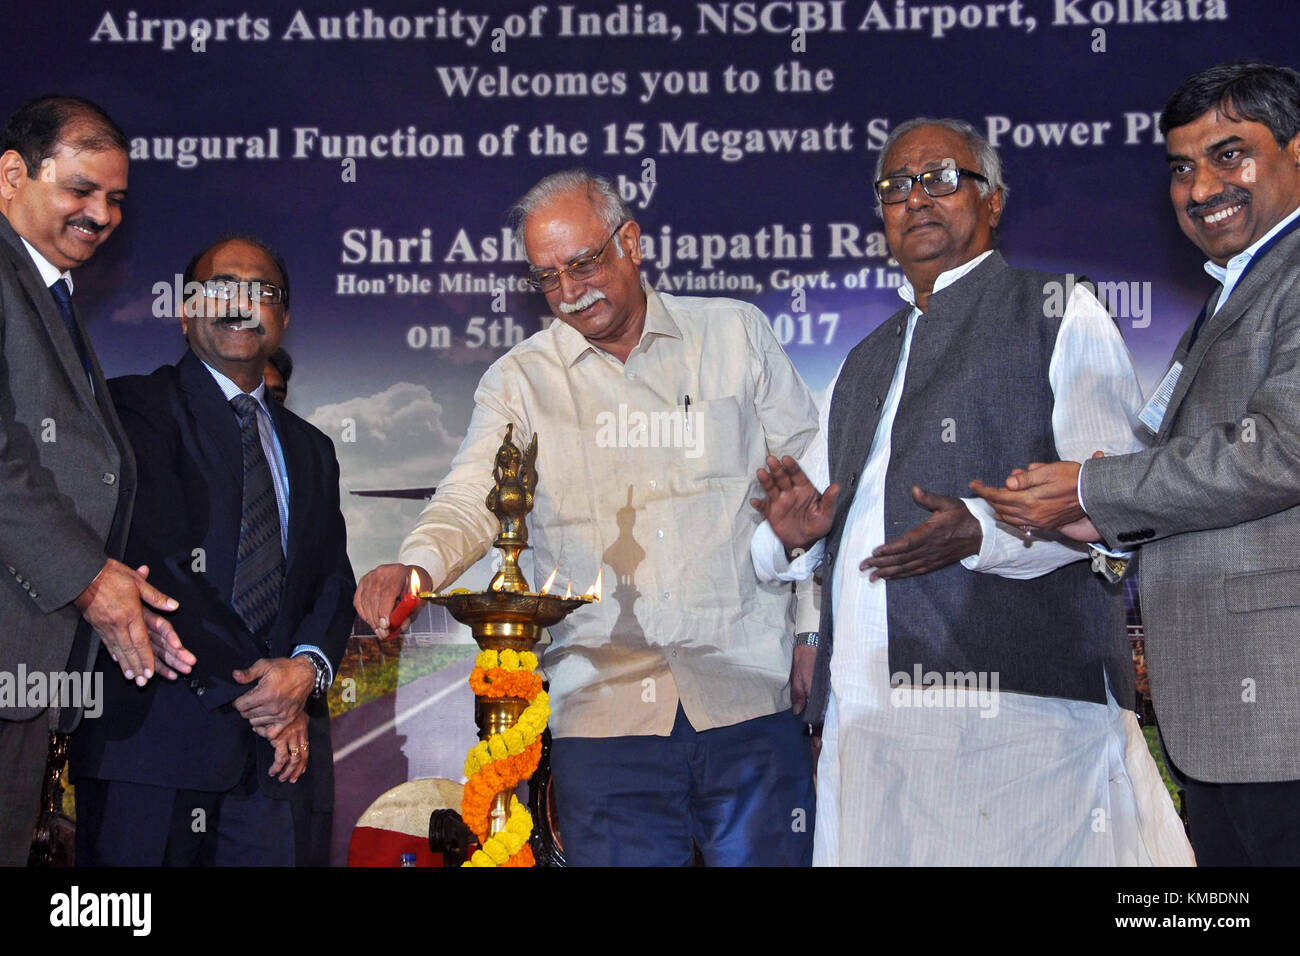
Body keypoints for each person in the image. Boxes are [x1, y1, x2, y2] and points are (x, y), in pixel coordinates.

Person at [751, 118, 1192, 865]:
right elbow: (813, 518)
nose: (917, 197)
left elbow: (1118, 500)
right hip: (868, 722)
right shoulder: (863, 360)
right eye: (897, 186)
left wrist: (984, 532)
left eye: (941, 178)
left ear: (993, 202)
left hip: (1017, 721)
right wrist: (789, 538)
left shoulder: (1056, 311)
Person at [355, 169, 819, 866]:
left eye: (584, 263)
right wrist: (415, 563)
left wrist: (811, 630)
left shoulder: (735, 336)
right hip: (603, 725)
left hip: (748, 703)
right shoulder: (521, 381)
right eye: (547, 277)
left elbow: (810, 499)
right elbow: (467, 498)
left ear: (630, 241)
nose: (570, 292)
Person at [974, 61, 1300, 866]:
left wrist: (1092, 485)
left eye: (1231, 155)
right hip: (1232, 720)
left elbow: (1281, 449)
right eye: (1183, 167)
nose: (1200, 188)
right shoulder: (1236, 291)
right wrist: (1092, 518)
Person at [70, 236, 355, 866]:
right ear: (185, 309)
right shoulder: (129, 410)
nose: (241, 303)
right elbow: (161, 561)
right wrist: (263, 691)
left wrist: (304, 672)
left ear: (284, 317)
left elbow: (332, 581)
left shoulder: (310, 448)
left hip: (276, 763)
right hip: (152, 748)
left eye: (262, 291)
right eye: (221, 286)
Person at [0, 95, 184, 866]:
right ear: (13, 174)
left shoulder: (48, 292)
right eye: (81, 190)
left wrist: (116, 592)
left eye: (115, 199)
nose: (101, 214)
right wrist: (86, 578)